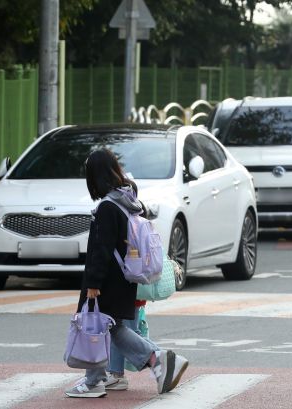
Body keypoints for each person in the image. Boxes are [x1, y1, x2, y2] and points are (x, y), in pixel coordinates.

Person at [65, 149, 188, 398]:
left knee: (96, 326)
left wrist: (93, 283)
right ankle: (151, 361)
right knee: (110, 327)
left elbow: (101, 249)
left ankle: (101, 379)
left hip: (107, 280)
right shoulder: (127, 201)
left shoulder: (107, 208)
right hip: (123, 278)